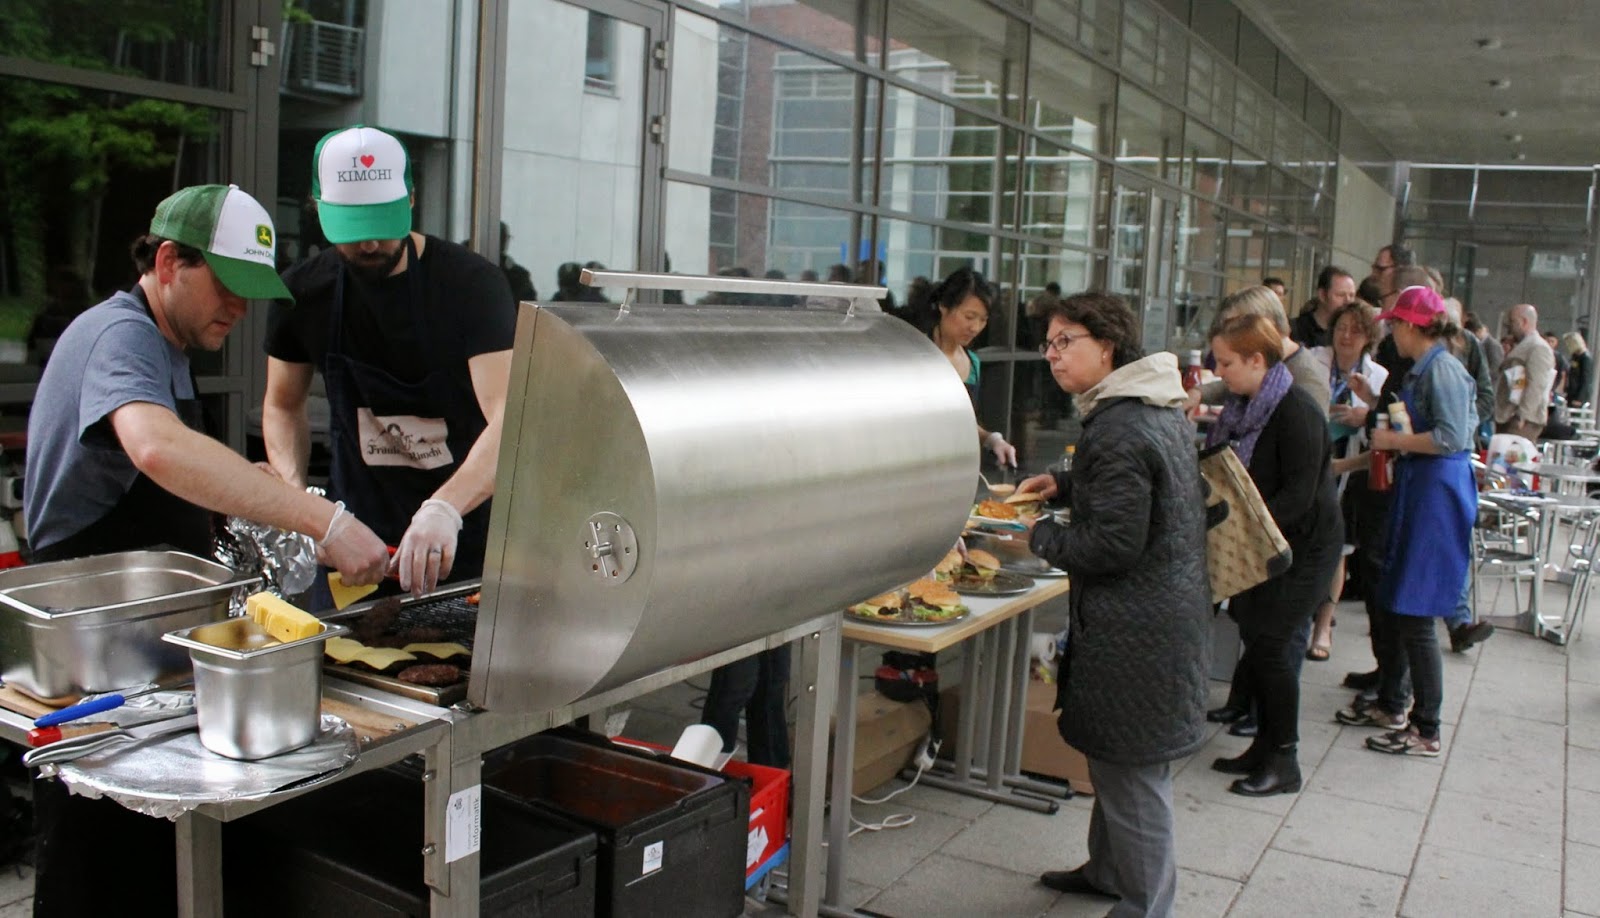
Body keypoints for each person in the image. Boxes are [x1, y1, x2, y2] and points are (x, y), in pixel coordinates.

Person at [23, 183, 391, 917]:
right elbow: (157, 449)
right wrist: (323, 520)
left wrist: (251, 497)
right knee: (100, 870)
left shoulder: (167, 346)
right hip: (95, 656)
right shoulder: (120, 335)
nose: (240, 308)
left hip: (144, 643)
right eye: (227, 286)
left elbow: (169, 473)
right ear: (168, 262)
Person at [1017, 291, 1209, 918]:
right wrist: (1066, 484)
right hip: (1154, 620)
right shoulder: (1146, 405)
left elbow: (1113, 544)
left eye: (1065, 341)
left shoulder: (1121, 425)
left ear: (1106, 346)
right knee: (1117, 762)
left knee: (1133, 778)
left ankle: (1147, 906)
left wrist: (1041, 536)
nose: (1052, 355)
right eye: (1049, 344)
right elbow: (1139, 488)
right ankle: (1108, 871)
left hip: (1138, 631)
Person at [264, 125, 516, 596]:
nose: (369, 245)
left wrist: (444, 509)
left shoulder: (471, 286)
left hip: (466, 534)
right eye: (353, 229)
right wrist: (301, 507)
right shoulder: (302, 293)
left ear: (412, 200)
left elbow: (511, 417)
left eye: (382, 223)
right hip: (353, 540)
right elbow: (282, 405)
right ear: (318, 208)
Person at [1205, 314, 1341, 797]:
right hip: (1267, 540)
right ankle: (1264, 746)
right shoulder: (1247, 405)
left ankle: (1285, 758)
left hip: (1303, 546)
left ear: (1256, 361)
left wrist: (1238, 532)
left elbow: (1298, 497)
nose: (1218, 372)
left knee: (1273, 646)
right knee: (1257, 636)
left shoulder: (1296, 410)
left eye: (1226, 363)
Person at [1353, 286, 1477, 757]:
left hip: (1436, 493)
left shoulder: (1441, 369)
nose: (1391, 336)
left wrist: (1392, 440)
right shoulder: (1427, 366)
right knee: (1404, 602)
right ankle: (1401, 708)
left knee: (1417, 610)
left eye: (1394, 326)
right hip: (1423, 488)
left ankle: (1426, 727)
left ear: (1409, 325)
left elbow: (1450, 437)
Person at [1306, 301, 1389, 661]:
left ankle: (1323, 626)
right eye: (1341, 328)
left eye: (1356, 330)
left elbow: (1382, 430)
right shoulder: (1313, 361)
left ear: (1368, 337)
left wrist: (1364, 415)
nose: (1346, 336)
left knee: (1338, 547)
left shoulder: (1377, 376)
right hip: (1311, 459)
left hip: (1351, 468)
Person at [926, 267, 1017, 468]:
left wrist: (993, 440)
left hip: (957, 465)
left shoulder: (972, 362)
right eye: (969, 317)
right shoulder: (918, 355)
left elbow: (964, 423)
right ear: (943, 306)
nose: (975, 327)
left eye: (983, 320)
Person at [1493, 303, 1556, 440]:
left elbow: (1536, 384)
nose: (1509, 326)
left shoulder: (1538, 348)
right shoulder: (1525, 345)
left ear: (1524, 322)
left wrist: (1523, 415)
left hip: (1522, 420)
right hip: (1508, 415)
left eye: (1512, 322)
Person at [1290, 266, 1357, 349]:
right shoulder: (1296, 329)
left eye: (1352, 295)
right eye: (1340, 295)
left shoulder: (1356, 334)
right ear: (1322, 295)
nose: (1348, 301)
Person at [499, 222, 536, 301]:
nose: (505, 241)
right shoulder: (518, 275)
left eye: (506, 237)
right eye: (504, 237)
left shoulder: (518, 274)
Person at [1565, 331, 1592, 407]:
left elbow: (1586, 379)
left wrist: (1580, 398)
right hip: (1571, 392)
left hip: (1578, 394)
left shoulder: (1585, 358)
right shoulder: (1575, 356)